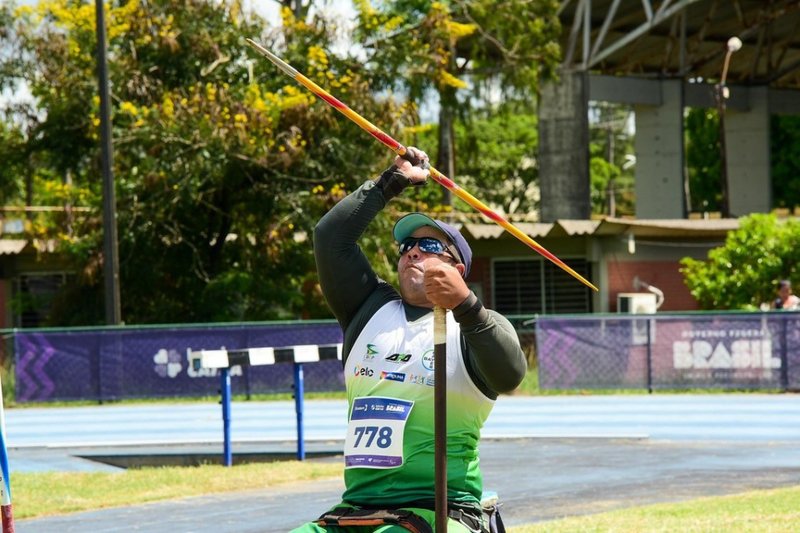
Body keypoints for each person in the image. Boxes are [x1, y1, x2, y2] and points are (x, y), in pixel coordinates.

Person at [293, 147, 526, 532]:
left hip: (442, 511)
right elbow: (330, 238)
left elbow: (510, 375)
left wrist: (465, 305)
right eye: (407, 247)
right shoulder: (367, 308)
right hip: (358, 508)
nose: (413, 252)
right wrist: (392, 181)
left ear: (458, 268)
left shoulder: (475, 324)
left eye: (430, 247)